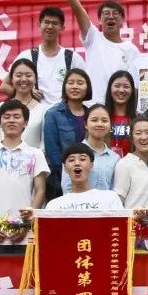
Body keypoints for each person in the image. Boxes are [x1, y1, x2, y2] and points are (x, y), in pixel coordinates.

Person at [0, 99, 49, 253]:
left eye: (16, 117)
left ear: (25, 123)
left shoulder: (35, 154)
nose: (11, 120)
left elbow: (40, 190)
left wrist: (25, 224)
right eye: (6, 117)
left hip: (25, 234)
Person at [58, 0, 140, 98]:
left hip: (118, 106)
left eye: (115, 13)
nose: (111, 17)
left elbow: (135, 86)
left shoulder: (131, 50)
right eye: (106, 13)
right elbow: (78, 10)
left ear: (122, 20)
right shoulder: (93, 38)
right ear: (99, 20)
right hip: (93, 105)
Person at [1, 5, 84, 106]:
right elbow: (4, 86)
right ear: (39, 24)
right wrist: (27, 94)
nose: (50, 26)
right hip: (35, 114)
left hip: (65, 114)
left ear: (62, 28)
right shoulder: (27, 56)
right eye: (47, 22)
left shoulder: (73, 58)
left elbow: (86, 87)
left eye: (55, 23)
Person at [43, 68, 92, 199]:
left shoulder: (91, 114)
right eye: (70, 83)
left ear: (87, 87)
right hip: (61, 182)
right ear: (64, 86)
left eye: (80, 83)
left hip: (89, 179)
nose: (75, 86)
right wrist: (71, 175)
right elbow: (53, 152)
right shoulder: (53, 114)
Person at [45, 142, 125, 211]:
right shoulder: (54, 206)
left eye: (82, 159)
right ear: (65, 168)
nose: (77, 163)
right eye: (71, 160)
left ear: (91, 166)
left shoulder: (110, 198)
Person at [0, 58, 49, 149]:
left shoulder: (44, 111)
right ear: (11, 79)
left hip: (33, 157)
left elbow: (44, 144)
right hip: (1, 158)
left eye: (28, 75)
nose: (23, 79)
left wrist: (34, 157)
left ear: (35, 79)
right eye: (18, 75)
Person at [113, 115, 148, 212]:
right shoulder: (125, 164)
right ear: (132, 138)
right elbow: (118, 201)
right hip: (132, 220)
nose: (143, 137)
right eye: (138, 133)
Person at [74, 104, 121, 192]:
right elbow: (67, 189)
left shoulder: (115, 158)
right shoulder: (73, 153)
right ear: (86, 124)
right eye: (94, 120)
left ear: (110, 125)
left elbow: (115, 190)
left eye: (104, 120)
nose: (100, 124)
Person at [104, 70, 137, 156]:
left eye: (126, 86)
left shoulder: (138, 119)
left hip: (131, 163)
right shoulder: (101, 117)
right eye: (117, 86)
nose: (121, 90)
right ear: (110, 88)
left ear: (132, 90)